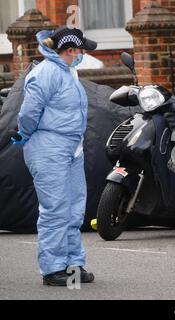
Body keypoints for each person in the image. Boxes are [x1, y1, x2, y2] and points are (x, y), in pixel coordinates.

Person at [11, 27, 97, 286]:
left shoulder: (67, 71)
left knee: (73, 208)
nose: (83, 53)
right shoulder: (47, 73)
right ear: (70, 50)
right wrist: (24, 134)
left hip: (71, 148)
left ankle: (73, 266)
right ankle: (53, 269)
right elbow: (29, 112)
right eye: (81, 49)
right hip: (49, 148)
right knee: (56, 208)